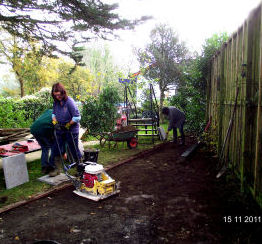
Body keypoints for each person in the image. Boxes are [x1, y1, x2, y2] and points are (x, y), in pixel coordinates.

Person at [51, 82, 82, 176]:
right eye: (55, 95)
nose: (57, 97)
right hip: (60, 129)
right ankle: (57, 169)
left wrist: (68, 125)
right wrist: (55, 123)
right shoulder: (56, 103)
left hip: (71, 130)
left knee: (73, 149)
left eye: (59, 95)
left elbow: (77, 117)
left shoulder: (69, 102)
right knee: (57, 148)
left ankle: (80, 168)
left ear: (62, 92)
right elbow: (53, 114)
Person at [30, 109, 55, 174]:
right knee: (53, 147)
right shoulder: (59, 113)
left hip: (34, 128)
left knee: (45, 148)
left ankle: (44, 167)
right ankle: (51, 167)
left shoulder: (49, 110)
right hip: (44, 129)